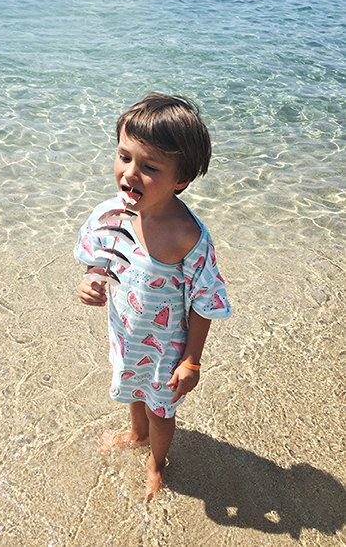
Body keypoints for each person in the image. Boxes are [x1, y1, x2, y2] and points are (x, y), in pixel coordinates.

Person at [74, 92, 231, 502]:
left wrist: (192, 359)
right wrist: (91, 279)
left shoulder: (188, 237)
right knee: (131, 389)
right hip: (126, 333)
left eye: (149, 167)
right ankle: (136, 433)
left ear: (181, 180)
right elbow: (100, 258)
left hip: (166, 348)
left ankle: (157, 462)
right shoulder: (111, 214)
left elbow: (205, 301)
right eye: (124, 157)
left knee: (161, 410)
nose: (130, 173)